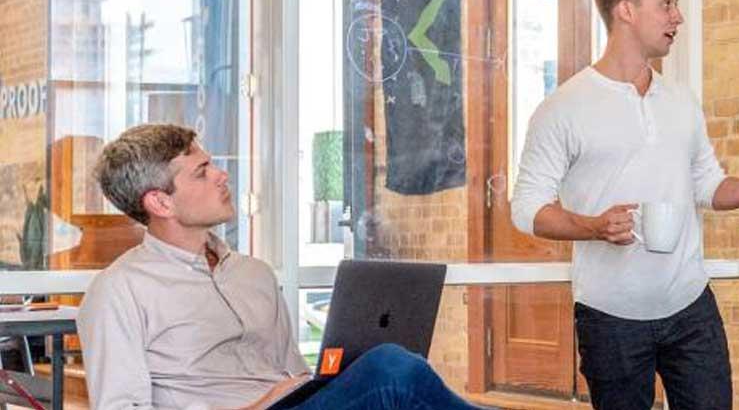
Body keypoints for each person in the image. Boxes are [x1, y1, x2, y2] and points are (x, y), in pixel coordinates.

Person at [510, 0, 739, 409]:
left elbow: (706, 184)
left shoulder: (680, 101)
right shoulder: (563, 109)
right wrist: (593, 226)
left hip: (690, 307)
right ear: (626, 10)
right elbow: (527, 207)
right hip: (610, 318)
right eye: (666, 4)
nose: (679, 16)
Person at [77, 124, 477, 409]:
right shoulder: (119, 290)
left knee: (396, 374)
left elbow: (295, 372)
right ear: (160, 203)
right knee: (391, 368)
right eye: (202, 172)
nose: (222, 175)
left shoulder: (254, 274)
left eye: (212, 164)